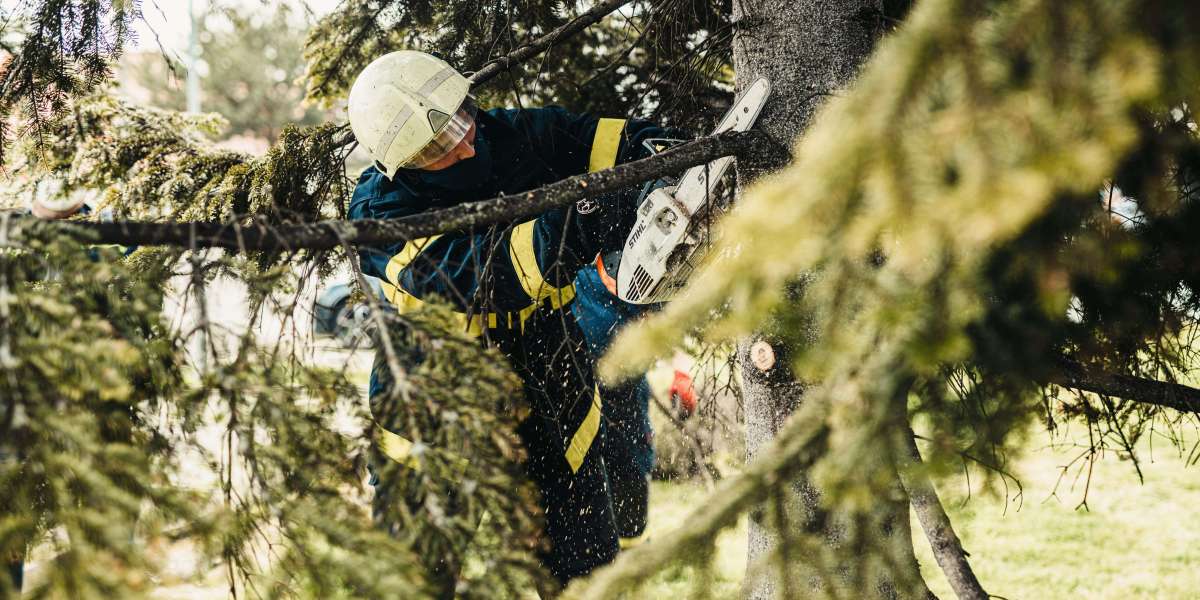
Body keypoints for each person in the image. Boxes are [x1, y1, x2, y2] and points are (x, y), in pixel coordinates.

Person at [346, 50, 679, 584]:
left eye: (460, 116)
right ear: (399, 160)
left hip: (552, 373)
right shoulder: (380, 216)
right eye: (436, 145)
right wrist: (586, 216)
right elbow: (485, 277)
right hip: (438, 403)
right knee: (414, 580)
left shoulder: (519, 133)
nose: (463, 141)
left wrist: (660, 162)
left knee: (584, 572)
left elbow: (612, 139)